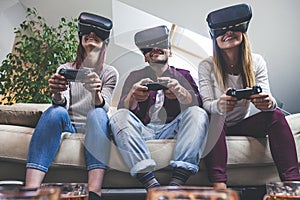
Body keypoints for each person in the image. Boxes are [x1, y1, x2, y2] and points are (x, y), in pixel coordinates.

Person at [198, 3, 300, 190]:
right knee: (215, 118)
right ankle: (220, 185)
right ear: (214, 37)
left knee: (276, 115)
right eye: (222, 30)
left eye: (233, 27)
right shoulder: (206, 66)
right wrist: (220, 105)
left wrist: (268, 103)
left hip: (242, 125)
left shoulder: (257, 61)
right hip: (216, 126)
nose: (228, 32)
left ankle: (293, 184)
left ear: (243, 30)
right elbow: (206, 106)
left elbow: (269, 100)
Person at [25, 12, 118, 199]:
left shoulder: (110, 73)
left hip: (94, 128)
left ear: (104, 44)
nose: (91, 34)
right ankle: (30, 191)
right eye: (87, 32)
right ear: (80, 39)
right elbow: (62, 105)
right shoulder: (64, 68)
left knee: (98, 114)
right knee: (54, 111)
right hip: (69, 125)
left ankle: (94, 193)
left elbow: (105, 107)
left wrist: (95, 92)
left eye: (96, 34)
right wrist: (57, 92)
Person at [109, 25, 209, 189]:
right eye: (148, 48)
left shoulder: (184, 75)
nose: (154, 49)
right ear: (145, 58)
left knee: (198, 113)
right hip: (144, 129)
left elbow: (199, 105)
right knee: (118, 117)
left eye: (160, 45)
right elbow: (122, 112)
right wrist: (132, 96)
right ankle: (151, 184)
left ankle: (177, 183)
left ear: (170, 51)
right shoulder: (135, 76)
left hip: (173, 129)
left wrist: (181, 93)